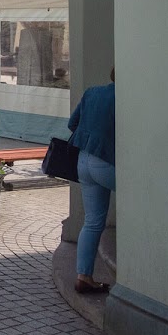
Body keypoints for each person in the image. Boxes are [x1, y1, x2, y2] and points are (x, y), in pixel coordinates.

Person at [68, 67, 116, 294]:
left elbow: (72, 123)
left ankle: (84, 276)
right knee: (142, 204)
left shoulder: (92, 93)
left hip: (84, 161)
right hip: (107, 162)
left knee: (93, 222)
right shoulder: (125, 97)